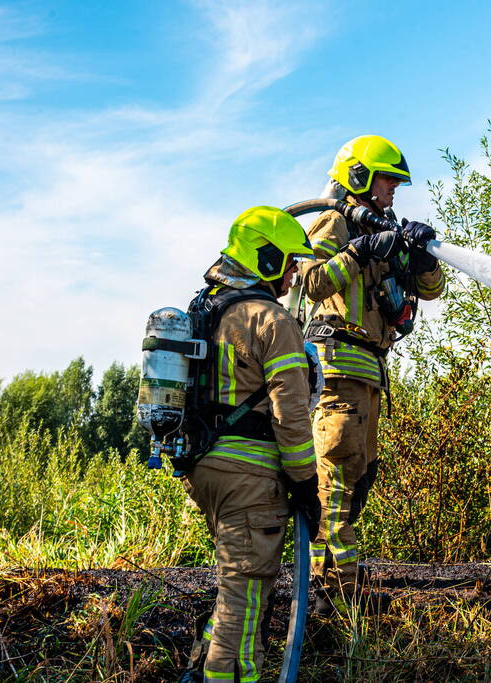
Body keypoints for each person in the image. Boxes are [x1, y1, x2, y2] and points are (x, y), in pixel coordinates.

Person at [299, 135, 445, 614]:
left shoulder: (387, 230)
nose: (394, 189)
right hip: (339, 366)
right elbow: (311, 280)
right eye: (387, 179)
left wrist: (423, 257)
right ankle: (333, 591)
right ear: (360, 176)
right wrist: (360, 252)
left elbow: (431, 292)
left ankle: (338, 580)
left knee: (359, 480)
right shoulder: (334, 222)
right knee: (337, 478)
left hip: (370, 372)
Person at [181, 206, 322, 683]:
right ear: (265, 259)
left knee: (233, 590)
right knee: (245, 605)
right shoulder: (271, 319)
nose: (292, 276)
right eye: (287, 263)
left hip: (206, 470)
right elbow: (291, 415)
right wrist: (306, 485)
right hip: (250, 481)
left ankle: (202, 670)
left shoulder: (209, 311)